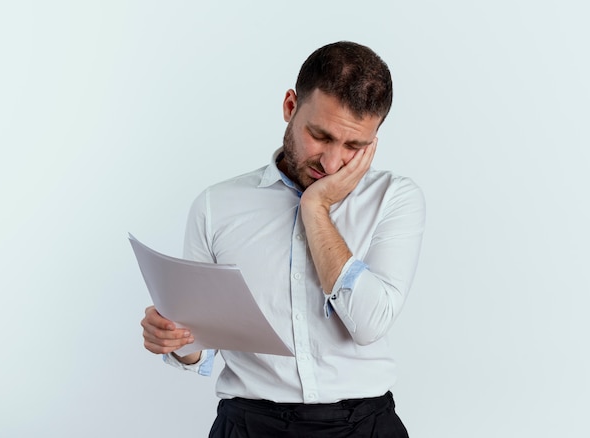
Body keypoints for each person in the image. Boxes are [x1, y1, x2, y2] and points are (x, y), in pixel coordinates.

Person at [141, 41, 425, 437]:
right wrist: (175, 339)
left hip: (364, 426)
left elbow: (367, 324)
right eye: (320, 136)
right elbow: (199, 348)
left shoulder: (394, 199)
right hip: (249, 425)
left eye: (354, 147)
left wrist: (315, 209)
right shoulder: (216, 206)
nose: (331, 163)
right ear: (290, 107)